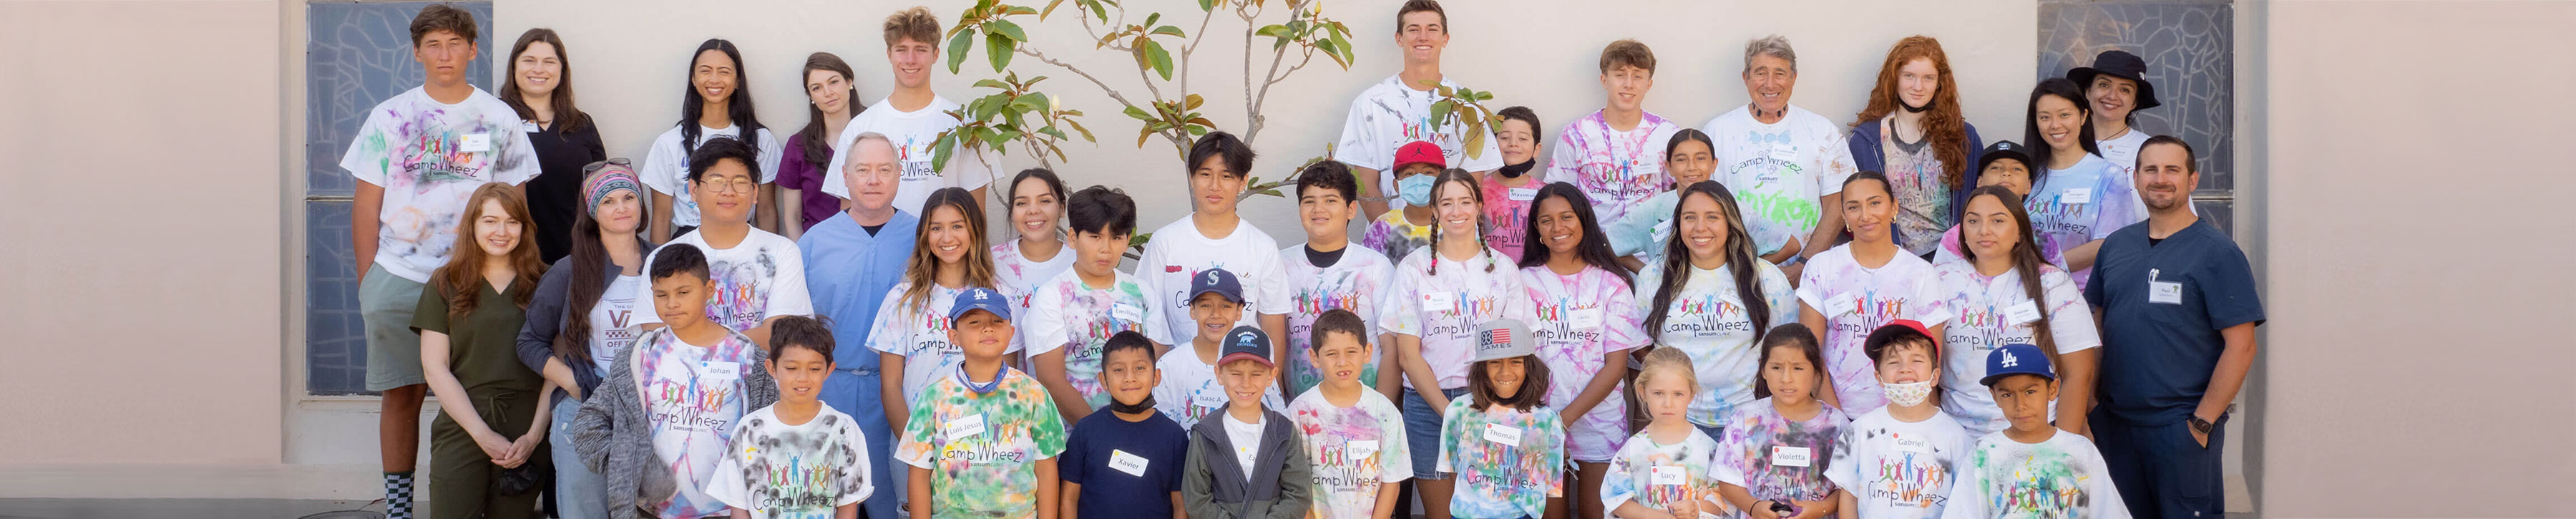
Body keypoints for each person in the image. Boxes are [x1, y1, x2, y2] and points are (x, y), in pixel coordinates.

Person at [341, 7, 540, 515]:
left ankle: (481, 498)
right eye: (433, 44)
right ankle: (399, 509)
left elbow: (515, 207)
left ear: (473, 50)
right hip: (401, 275)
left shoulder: (499, 118)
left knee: (482, 391)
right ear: (417, 52)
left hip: (479, 278)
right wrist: (369, 282)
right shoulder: (389, 117)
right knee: (402, 396)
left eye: (454, 43)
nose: (444, 54)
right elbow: (366, 204)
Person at [2085, 136, 2262, 519]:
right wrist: (2091, 404)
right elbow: (2096, 328)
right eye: (2150, 169)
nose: (2160, 179)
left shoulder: (2218, 253)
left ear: (2192, 180)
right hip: (2115, 425)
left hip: (2180, 428)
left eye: (2172, 170)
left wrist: (2201, 423)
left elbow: (2242, 346)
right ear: (2136, 179)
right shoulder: (2116, 246)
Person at [572, 244, 781, 519]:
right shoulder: (640, 355)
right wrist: (631, 467)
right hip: (651, 512)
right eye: (662, 294)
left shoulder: (748, 357)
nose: (671, 303)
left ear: (709, 290)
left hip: (730, 512)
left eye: (683, 292)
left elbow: (776, 434)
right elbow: (588, 423)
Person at [1386, 169, 1528, 519]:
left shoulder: (1503, 269)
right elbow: (1408, 355)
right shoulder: (1413, 269)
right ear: (1434, 210)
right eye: (1446, 203)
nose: (1456, 211)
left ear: (1479, 206)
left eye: (1465, 201)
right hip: (1427, 407)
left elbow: (1513, 352)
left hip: (1490, 402)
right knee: (1441, 513)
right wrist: (1450, 412)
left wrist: (1486, 406)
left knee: (1490, 509)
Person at [514, 162, 653, 518]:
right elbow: (529, 342)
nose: (621, 208)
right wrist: (572, 382)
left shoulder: (663, 262)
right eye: (608, 201)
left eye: (628, 198)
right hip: (586, 410)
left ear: (641, 203)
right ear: (593, 212)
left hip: (653, 412)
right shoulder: (569, 270)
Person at [794, 132, 918, 519]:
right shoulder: (814, 243)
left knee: (897, 503)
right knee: (821, 502)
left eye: (884, 170)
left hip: (900, 395)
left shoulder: (923, 238)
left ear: (899, 175)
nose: (873, 180)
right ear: (845, 176)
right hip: (829, 391)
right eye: (863, 170)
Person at [414, 184, 552, 519]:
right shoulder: (445, 283)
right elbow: (435, 368)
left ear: (524, 228)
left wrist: (534, 436)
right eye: (490, 221)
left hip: (526, 430)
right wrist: (482, 434)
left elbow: (557, 368)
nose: (501, 232)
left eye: (512, 222)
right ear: (472, 225)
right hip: (463, 423)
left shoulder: (547, 282)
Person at [1515, 182, 1644, 518]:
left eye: (1567, 217)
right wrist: (1548, 422)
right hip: (1539, 421)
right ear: (1536, 229)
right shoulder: (1522, 282)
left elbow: (1616, 367)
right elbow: (1517, 359)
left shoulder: (1612, 284)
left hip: (1600, 423)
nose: (1557, 227)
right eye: (1546, 220)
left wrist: (1565, 420)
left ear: (1584, 219)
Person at [1632, 180, 1798, 439]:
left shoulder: (1767, 279)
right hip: (1677, 419)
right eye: (1690, 217)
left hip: (1750, 419)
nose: (1700, 227)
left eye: (1712, 217)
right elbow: (1640, 343)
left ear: (1731, 223)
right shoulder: (1653, 278)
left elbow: (1789, 348)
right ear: (1678, 224)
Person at [1135, 131, 1294, 392]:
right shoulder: (1165, 242)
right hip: (1176, 386)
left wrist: (1271, 393)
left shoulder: (1262, 247)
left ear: (1243, 181)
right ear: (1191, 177)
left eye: (1226, 176)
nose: (1215, 186)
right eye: (1205, 174)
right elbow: (1149, 318)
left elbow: (1273, 328)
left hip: (1244, 390)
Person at [1936, 185, 2102, 437]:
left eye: (1998, 221)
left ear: (2019, 232)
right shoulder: (1941, 281)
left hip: (2037, 434)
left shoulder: (2052, 283)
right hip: (1957, 433)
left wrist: (2061, 445)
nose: (1984, 230)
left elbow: (2078, 374)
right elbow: (1924, 367)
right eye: (1973, 221)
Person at [892, 287, 1069, 518]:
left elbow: (1046, 470)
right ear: (954, 336)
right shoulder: (934, 397)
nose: (988, 328)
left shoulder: (1033, 394)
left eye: (998, 321)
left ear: (1011, 333)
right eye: (975, 322)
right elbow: (918, 474)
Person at [1702, 34, 1860, 282]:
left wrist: (1803, 266)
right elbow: (1703, 206)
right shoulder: (1717, 132)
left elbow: (1838, 205)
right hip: (1734, 275)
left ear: (1793, 78)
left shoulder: (1822, 131)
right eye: (1760, 73)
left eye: (1780, 74)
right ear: (1746, 78)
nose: (1770, 84)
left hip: (1809, 275)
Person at [1795, 173, 1952, 415]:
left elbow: (1930, 361)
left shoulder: (1921, 273)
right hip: (1836, 413)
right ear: (1844, 215)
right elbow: (1810, 353)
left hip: (1903, 416)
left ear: (1894, 207)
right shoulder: (1821, 267)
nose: (1865, 215)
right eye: (1853, 207)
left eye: (1875, 203)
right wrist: (1837, 419)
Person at [633, 137, 814, 346]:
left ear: (755, 192)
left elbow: (781, 334)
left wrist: (698, 343)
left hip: (760, 368)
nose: (728, 191)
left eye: (740, 182)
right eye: (716, 182)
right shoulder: (662, 256)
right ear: (693, 190)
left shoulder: (782, 252)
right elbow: (654, 336)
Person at [1334, 0, 1501, 219]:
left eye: (1432, 29)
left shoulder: (1467, 106)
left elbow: (1473, 184)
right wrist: (1394, 231)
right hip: (1390, 235)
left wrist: (1450, 231)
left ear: (1445, 39)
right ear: (1399, 38)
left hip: (1451, 234)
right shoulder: (1370, 103)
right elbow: (1365, 184)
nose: (1423, 37)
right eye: (1413, 29)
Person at [822, 6, 995, 213]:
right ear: (889, 54)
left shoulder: (964, 124)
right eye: (901, 50)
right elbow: (848, 215)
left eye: (920, 49)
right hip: (881, 236)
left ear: (936, 54)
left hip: (944, 235)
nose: (910, 59)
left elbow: (976, 212)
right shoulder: (860, 127)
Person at [1025, 185, 1176, 417]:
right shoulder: (1052, 296)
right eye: (1095, 237)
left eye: (1116, 238)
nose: (1106, 249)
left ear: (1127, 241)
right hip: (1075, 433)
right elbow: (1051, 379)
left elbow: (1156, 363)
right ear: (1073, 238)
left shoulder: (1141, 292)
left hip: (1137, 425)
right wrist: (1097, 432)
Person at [706, 316, 875, 518]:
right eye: (792, 368)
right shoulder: (749, 429)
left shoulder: (843, 429)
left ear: (829, 370)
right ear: (772, 368)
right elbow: (739, 506)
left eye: (814, 369)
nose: (803, 378)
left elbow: (848, 505)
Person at [869, 187, 1005, 433]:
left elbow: (1006, 381)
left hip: (980, 443)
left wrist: (964, 438)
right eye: (936, 228)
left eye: (957, 226)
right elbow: (890, 386)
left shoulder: (997, 297)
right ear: (924, 234)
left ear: (974, 230)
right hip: (914, 438)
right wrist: (916, 444)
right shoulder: (901, 299)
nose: (947, 238)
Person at [1939, 344, 2130, 519]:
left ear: (2053, 390)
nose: (2020, 405)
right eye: (2007, 394)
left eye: (2030, 392)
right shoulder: (1985, 452)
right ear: (1995, 397)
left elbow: (2109, 512)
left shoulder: (2080, 450)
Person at [1848, 36, 1985, 260]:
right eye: (1909, 76)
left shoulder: (1963, 137)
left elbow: (1979, 201)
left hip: (1952, 259)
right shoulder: (1867, 141)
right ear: (1894, 78)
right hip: (1893, 261)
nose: (1918, 87)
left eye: (1928, 78)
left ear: (1940, 83)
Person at [1824, 322, 1974, 519]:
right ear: (1879, 377)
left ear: (1935, 376)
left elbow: (1964, 503)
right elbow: (1849, 496)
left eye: (1917, 360)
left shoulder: (1955, 436)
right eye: (1894, 362)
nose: (1905, 369)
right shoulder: (1859, 430)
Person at [642, 39, 784, 241]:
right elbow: (661, 218)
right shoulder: (668, 143)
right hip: (689, 244)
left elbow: (767, 211)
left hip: (743, 240)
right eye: (705, 71)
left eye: (724, 72)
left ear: (738, 80)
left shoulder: (761, 140)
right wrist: (660, 260)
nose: (714, 79)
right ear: (693, 78)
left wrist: (768, 256)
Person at [1279, 162, 1400, 398]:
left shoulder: (1375, 267)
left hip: (1366, 407)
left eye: (1330, 200)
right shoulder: (1282, 266)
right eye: (1309, 201)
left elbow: (1392, 350)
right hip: (1300, 411)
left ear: (1351, 209)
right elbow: (1274, 343)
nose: (1319, 209)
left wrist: (1381, 410)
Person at [1287, 309, 1413, 519]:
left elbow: (1391, 483)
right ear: (1315, 357)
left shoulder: (1384, 412)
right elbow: (1294, 485)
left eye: (1351, 352)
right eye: (1331, 354)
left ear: (1367, 352)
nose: (1342, 362)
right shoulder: (1299, 413)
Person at [2020, 78, 2145, 289]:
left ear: (2083, 116)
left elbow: (2109, 242)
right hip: (2027, 293)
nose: (2055, 125)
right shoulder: (2025, 175)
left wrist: (2042, 266)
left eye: (2064, 115)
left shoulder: (2109, 175)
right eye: (2045, 117)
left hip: (2084, 297)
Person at [1435, 319, 1566, 519]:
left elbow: (1551, 488)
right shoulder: (1459, 411)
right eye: (1495, 362)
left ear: (1530, 366)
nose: (1505, 372)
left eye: (1516, 361)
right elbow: (1454, 470)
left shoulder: (1546, 421)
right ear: (1482, 367)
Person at [1181, 326, 1317, 518]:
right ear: (1219, 374)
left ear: (1271, 375)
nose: (1246, 383)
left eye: (1256, 374)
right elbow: (1196, 498)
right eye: (1236, 374)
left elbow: (1299, 494)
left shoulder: (1283, 431)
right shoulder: (1206, 433)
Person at [1712, 324, 1846, 519]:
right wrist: (1754, 507)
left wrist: (1822, 508)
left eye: (1798, 368)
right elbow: (1727, 479)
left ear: (1817, 370)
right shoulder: (1745, 420)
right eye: (1776, 368)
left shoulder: (1835, 424)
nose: (1786, 378)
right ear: (1763, 369)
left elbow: (1848, 485)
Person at [497, 28, 606, 263]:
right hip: (511, 256)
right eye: (529, 60)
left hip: (576, 255)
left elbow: (601, 191)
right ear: (514, 66)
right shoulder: (496, 119)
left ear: (562, 70)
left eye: (549, 62)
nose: (539, 69)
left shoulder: (582, 124)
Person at [1551, 39, 1682, 231]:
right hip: (1592, 245)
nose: (1629, 84)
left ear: (1649, 84)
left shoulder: (1667, 134)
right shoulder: (1576, 135)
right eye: (1620, 75)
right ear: (1604, 80)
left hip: (1650, 245)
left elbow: (1676, 195)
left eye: (1637, 76)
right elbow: (1557, 197)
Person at [1059, 331, 1189, 518]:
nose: (1130, 378)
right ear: (1103, 380)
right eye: (1119, 370)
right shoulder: (1086, 431)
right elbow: (1069, 499)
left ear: (1156, 376)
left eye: (1140, 368)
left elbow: (1180, 505)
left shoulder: (1174, 436)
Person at [1155, 268, 1289, 430]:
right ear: (1192, 310)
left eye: (1226, 306)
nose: (1216, 314)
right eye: (1206, 305)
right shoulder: (1168, 367)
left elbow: (1280, 427)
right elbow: (1160, 430)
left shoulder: (1257, 368)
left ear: (1239, 311)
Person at [1600, 348, 1725, 519]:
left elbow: (1723, 502)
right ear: (1643, 392)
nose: (1668, 403)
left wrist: (1696, 508)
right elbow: (1616, 500)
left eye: (1678, 394)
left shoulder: (1708, 449)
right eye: (1658, 393)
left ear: (1691, 395)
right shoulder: (1633, 449)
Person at [777, 52, 866, 236]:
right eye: (817, 88)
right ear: (811, 96)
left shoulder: (878, 131)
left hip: (871, 242)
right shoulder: (798, 145)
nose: (828, 93)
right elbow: (792, 216)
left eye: (833, 82)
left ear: (849, 82)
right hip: (818, 246)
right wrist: (802, 251)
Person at [1605, 130, 1722, 267]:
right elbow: (1605, 245)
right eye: (1681, 160)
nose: (1691, 167)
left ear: (1714, 164)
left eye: (1700, 158)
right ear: (1669, 167)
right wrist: (1647, 274)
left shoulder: (1731, 208)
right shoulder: (1653, 210)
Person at [2069, 49, 2162, 205]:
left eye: (2125, 90)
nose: (2112, 96)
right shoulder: (2063, 143)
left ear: (2134, 103)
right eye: (2104, 85)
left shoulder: (2153, 151)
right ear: (2088, 92)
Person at [995, 168, 1077, 341]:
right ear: (1012, 213)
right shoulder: (991, 262)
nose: (1033, 210)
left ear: (1062, 208)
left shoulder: (1080, 261)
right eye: (1022, 203)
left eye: (1045, 201)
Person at [1931, 141, 2035, 265]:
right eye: (1996, 168)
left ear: (2028, 185)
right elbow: (1941, 274)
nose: (2006, 173)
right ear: (1980, 182)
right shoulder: (1955, 236)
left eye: (2016, 169)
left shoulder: (2041, 239)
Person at [1361, 141, 1448, 263]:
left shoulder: (1456, 222)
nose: (1419, 180)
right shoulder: (1382, 227)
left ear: (1443, 180)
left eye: (1428, 172)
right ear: (1397, 185)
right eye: (1409, 174)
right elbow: (1367, 269)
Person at [1483, 106, 1546, 258]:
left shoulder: (1546, 194)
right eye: (1505, 137)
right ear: (1492, 143)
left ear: (1537, 149)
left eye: (1523, 139)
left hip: (1531, 271)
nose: (1513, 144)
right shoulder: (1476, 189)